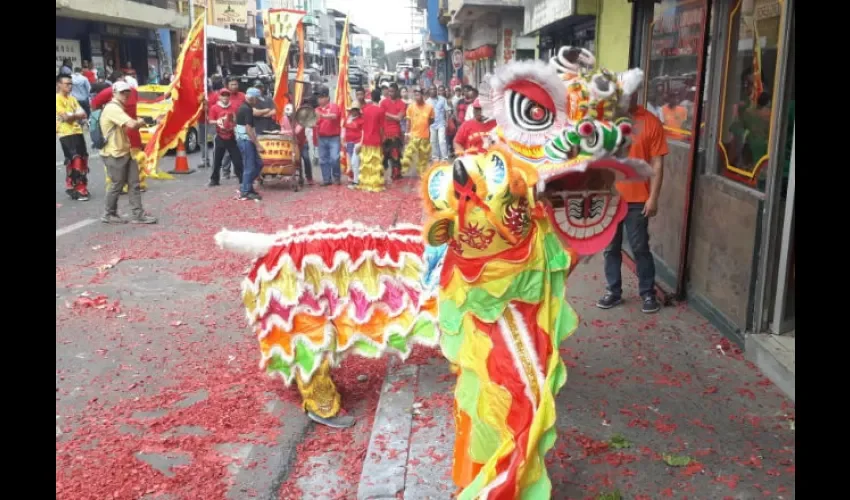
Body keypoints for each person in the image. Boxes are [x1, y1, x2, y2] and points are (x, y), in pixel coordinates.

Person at [598, 89, 667, 314]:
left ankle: (648, 293)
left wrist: (653, 197)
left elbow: (657, 164)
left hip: (638, 199)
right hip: (610, 199)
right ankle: (613, 292)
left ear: (637, 94)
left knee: (640, 247)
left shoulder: (650, 122)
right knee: (610, 248)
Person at [99, 81, 157, 224]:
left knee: (134, 183)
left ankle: (138, 214)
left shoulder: (120, 107)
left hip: (125, 151)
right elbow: (132, 124)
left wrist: (142, 121)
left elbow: (129, 126)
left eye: (127, 92)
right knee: (116, 184)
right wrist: (143, 121)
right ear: (114, 93)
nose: (125, 95)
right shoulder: (113, 108)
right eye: (122, 92)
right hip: (114, 153)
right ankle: (108, 214)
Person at [92, 73, 149, 192]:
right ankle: (120, 187)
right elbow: (95, 105)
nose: (125, 94)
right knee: (119, 165)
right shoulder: (110, 93)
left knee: (136, 160)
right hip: (117, 134)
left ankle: (134, 185)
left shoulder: (133, 91)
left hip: (132, 132)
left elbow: (94, 105)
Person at [56, 74, 90, 201]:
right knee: (75, 159)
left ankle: (71, 184)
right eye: (67, 84)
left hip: (77, 131)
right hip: (65, 133)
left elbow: (84, 114)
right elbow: (66, 118)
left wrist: (73, 115)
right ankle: (80, 188)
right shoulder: (57, 99)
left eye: (71, 84)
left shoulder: (72, 99)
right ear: (59, 84)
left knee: (83, 157)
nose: (70, 86)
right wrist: (75, 115)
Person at [208, 89, 244, 187]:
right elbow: (211, 120)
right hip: (219, 136)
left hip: (232, 136)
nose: (225, 97)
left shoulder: (233, 107)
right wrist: (219, 121)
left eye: (227, 95)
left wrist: (233, 122)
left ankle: (242, 179)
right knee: (217, 160)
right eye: (223, 95)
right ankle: (214, 180)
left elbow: (237, 120)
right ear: (219, 97)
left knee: (237, 160)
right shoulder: (214, 108)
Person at [235, 88, 265, 201]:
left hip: (246, 140)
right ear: (252, 98)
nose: (257, 101)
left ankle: (246, 186)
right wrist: (257, 144)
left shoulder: (246, 107)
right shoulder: (246, 109)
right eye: (257, 99)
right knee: (250, 166)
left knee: (259, 164)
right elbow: (248, 128)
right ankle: (246, 191)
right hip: (246, 141)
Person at [355, 89, 386, 192]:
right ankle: (374, 184)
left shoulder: (365, 109)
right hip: (376, 140)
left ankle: (365, 183)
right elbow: (381, 128)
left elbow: (363, 126)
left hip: (366, 140)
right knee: (375, 163)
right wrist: (383, 138)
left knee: (366, 162)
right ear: (380, 98)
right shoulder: (381, 111)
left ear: (371, 98)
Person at [400, 88, 434, 176]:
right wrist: (407, 134)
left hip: (425, 136)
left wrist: (425, 125)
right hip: (413, 136)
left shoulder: (429, 107)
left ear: (422, 95)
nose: (416, 97)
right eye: (415, 95)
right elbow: (408, 121)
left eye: (418, 95)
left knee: (423, 158)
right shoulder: (411, 107)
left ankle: (422, 175)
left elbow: (432, 120)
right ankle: (403, 171)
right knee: (408, 154)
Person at [314, 87, 342, 186]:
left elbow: (333, 116)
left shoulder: (333, 106)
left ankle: (336, 176)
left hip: (334, 137)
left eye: (321, 97)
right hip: (321, 137)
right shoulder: (317, 109)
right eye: (318, 97)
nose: (319, 99)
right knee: (323, 160)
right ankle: (326, 179)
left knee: (334, 158)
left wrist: (321, 115)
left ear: (327, 97)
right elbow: (314, 122)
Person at [380, 83, 407, 180]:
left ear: (397, 91)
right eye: (389, 91)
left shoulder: (402, 104)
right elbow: (381, 116)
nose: (390, 93)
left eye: (392, 91)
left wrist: (386, 114)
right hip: (384, 133)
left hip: (396, 133)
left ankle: (396, 175)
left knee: (395, 155)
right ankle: (380, 176)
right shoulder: (383, 103)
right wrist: (393, 116)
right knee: (383, 156)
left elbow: (399, 118)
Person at [343, 102, 364, 187]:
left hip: (357, 143)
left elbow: (363, 133)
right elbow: (344, 130)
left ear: (358, 111)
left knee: (355, 162)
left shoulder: (361, 120)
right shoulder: (347, 119)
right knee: (351, 164)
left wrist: (361, 144)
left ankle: (356, 181)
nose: (353, 111)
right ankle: (355, 179)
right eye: (352, 110)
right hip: (349, 143)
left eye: (355, 110)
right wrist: (343, 142)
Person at [426, 86, 449, 161]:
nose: (433, 91)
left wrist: (447, 121)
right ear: (429, 91)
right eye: (431, 89)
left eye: (434, 89)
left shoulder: (443, 99)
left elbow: (447, 110)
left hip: (441, 123)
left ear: (436, 91)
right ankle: (435, 158)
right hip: (432, 125)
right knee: (433, 141)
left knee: (442, 140)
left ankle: (444, 158)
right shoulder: (427, 102)